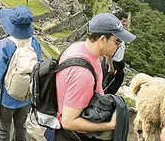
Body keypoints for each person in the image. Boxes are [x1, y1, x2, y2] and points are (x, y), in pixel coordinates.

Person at [48, 12, 135, 140]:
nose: (119, 46)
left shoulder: (77, 48)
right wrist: (109, 125)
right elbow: (68, 122)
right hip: (73, 136)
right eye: (117, 41)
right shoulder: (83, 74)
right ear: (103, 39)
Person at [0, 6, 43, 141]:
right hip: (26, 96)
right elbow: (39, 66)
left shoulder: (5, 45)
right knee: (21, 127)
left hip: (7, 96)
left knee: (2, 128)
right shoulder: (34, 43)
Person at [101, 9, 129, 95]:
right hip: (111, 63)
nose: (125, 24)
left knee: (117, 81)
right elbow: (107, 52)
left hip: (118, 62)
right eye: (124, 21)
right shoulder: (113, 33)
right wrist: (111, 66)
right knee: (108, 86)